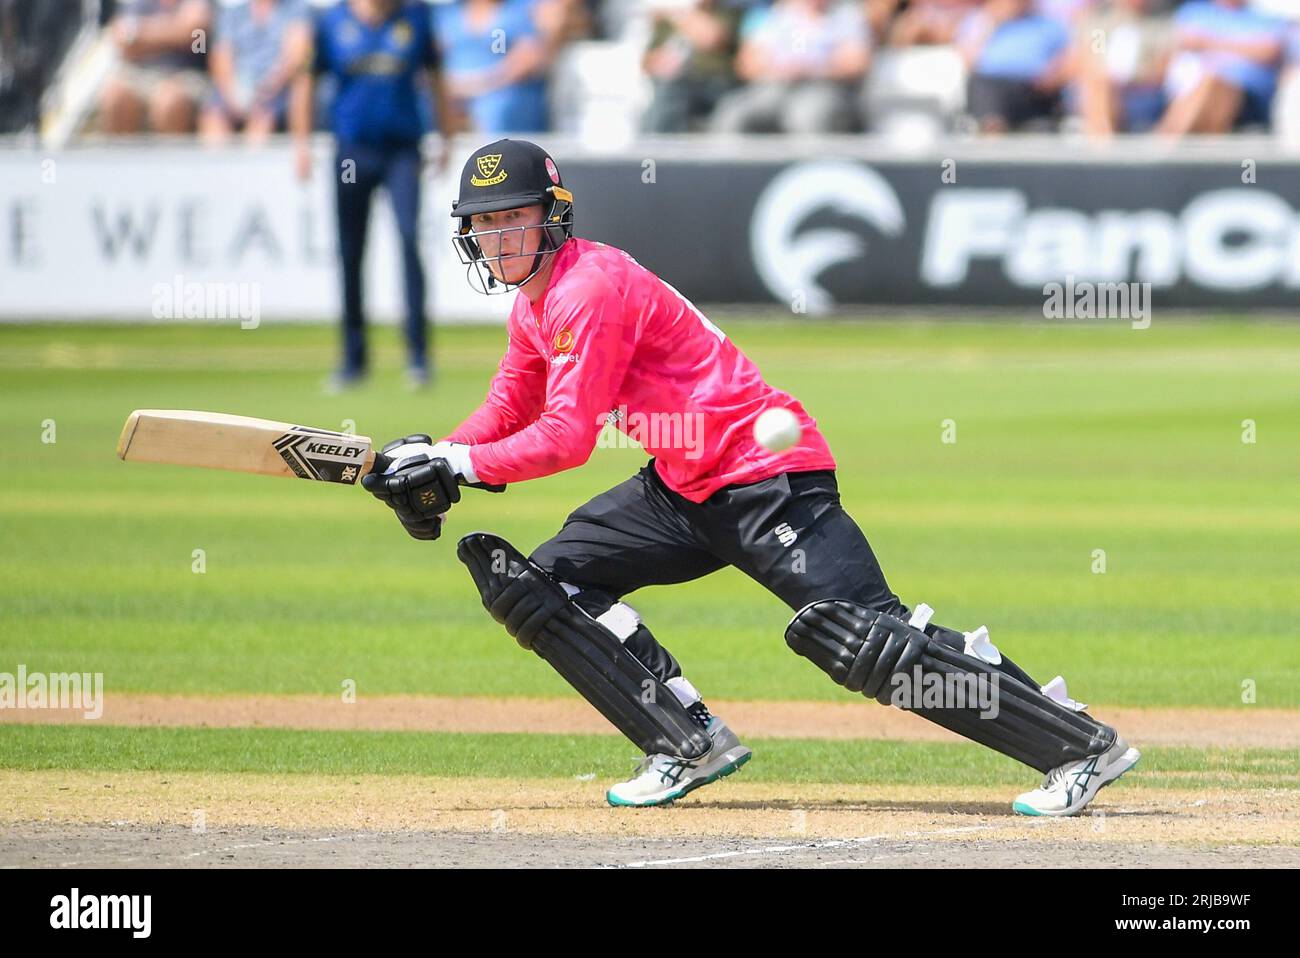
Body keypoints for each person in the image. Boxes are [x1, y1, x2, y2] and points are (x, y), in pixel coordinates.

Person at [360, 138, 1142, 815]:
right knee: (544, 585)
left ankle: (1077, 744)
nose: (500, 237)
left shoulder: (587, 289)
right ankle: (686, 741)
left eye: (515, 217)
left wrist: (455, 463)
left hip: (767, 475)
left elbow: (565, 438)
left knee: (867, 641)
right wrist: (432, 454)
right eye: (486, 222)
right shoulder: (534, 305)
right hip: (682, 484)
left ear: (553, 216)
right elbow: (510, 405)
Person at [289, 0, 452, 391]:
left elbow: (436, 76)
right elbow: (307, 80)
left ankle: (418, 357)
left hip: (402, 151)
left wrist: (446, 136)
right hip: (352, 151)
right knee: (350, 251)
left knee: (410, 240)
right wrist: (301, 144)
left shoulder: (415, 17)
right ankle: (353, 359)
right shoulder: (332, 22)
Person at [710, 0, 873, 134]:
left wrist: (809, 68)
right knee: (733, 113)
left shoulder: (846, 15)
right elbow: (745, 65)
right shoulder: (774, 14)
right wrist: (782, 69)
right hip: (772, 88)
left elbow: (856, 64)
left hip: (823, 88)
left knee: (807, 115)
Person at [1155, 0, 1288, 136]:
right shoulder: (1194, 11)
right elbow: (1183, 43)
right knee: (1207, 87)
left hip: (1249, 98)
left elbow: (1268, 52)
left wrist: (1207, 42)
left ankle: (1166, 146)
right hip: (1190, 90)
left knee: (1214, 85)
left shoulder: (1266, 17)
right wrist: (1243, 47)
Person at [201, 0, 310, 144]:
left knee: (262, 123)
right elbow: (221, 58)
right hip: (235, 89)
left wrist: (266, 90)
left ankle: (250, 164)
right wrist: (233, 97)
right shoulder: (233, 13)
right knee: (213, 120)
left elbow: (297, 56)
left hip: (275, 93)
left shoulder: (297, 9)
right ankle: (215, 164)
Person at [956, 0, 1073, 133]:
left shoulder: (1050, 23)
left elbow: (1069, 59)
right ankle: (992, 137)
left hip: (1034, 89)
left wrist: (1053, 76)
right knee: (983, 88)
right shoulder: (979, 21)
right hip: (991, 85)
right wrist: (993, 22)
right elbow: (969, 61)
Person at [99, 0, 211, 134]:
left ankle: (172, 155)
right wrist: (176, 28)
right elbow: (122, 41)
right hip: (140, 73)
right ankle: (120, 155)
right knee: (115, 96)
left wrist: (140, 33)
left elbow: (196, 37)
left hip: (187, 75)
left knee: (170, 100)